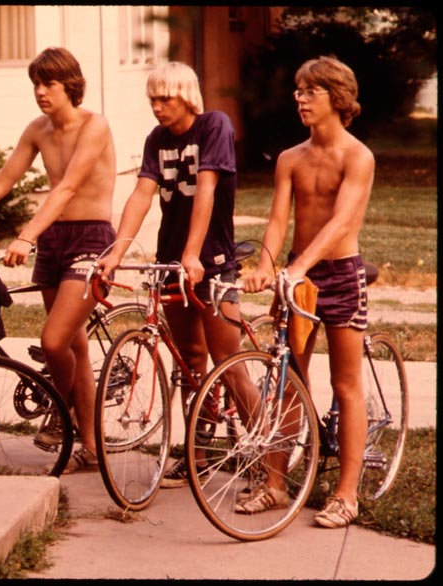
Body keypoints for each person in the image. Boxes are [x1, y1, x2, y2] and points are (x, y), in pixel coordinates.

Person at [0, 46, 117, 474]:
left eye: (48, 83)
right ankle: (88, 446)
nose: (41, 92)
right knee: (75, 346)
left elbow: (66, 188)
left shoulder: (95, 126)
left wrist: (26, 235)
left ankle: (57, 411)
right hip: (55, 240)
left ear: (70, 85)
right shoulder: (38, 129)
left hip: (91, 237)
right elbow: (3, 180)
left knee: (53, 342)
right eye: (36, 84)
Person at [97, 61, 255, 488]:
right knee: (189, 361)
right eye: (152, 99)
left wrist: (193, 253)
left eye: (164, 98)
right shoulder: (156, 140)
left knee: (229, 361)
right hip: (173, 260)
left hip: (213, 260)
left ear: (186, 95)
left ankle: (265, 459)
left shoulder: (214, 126)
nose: (157, 106)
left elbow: (206, 189)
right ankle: (198, 455)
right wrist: (115, 252)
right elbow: (141, 195)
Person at [243, 55, 374, 528]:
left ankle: (346, 495)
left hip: (339, 275)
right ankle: (275, 485)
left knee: (346, 384)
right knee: (285, 381)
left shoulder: (357, 156)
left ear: (337, 99)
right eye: (298, 91)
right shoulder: (290, 158)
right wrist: (265, 266)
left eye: (309, 91)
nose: (299, 98)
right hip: (297, 283)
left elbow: (342, 223)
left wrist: (298, 266)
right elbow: (279, 220)